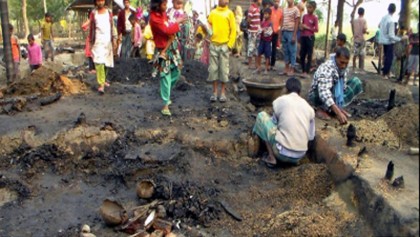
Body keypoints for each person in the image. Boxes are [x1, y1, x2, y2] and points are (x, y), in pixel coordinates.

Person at [252, 77, 315, 168]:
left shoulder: (279, 101)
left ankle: (271, 157)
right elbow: (311, 136)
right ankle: (294, 158)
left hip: (281, 153)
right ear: (300, 92)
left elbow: (274, 123)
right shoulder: (309, 108)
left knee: (262, 116)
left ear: (286, 89)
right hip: (300, 156)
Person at [149, 0, 186, 116]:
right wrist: (178, 22)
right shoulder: (154, 18)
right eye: (164, 4)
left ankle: (166, 92)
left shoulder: (164, 14)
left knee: (177, 71)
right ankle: (165, 104)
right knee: (165, 75)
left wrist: (174, 24)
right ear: (157, 5)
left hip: (172, 48)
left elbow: (169, 27)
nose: (166, 6)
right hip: (163, 49)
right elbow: (167, 30)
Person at [309, 47, 363, 125]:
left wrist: (339, 107)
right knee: (326, 91)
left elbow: (343, 87)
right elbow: (324, 92)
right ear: (336, 58)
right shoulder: (327, 68)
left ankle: (335, 108)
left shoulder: (343, 69)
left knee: (355, 82)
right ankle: (319, 109)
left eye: (346, 63)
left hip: (333, 94)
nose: (344, 66)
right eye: (341, 62)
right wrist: (338, 113)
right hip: (318, 95)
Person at [208, 0, 236, 103]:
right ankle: (214, 92)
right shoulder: (213, 13)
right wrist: (202, 32)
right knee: (213, 69)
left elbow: (233, 30)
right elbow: (208, 25)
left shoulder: (229, 13)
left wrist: (229, 45)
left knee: (224, 70)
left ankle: (223, 93)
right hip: (214, 45)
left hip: (224, 45)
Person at [89, 0, 117, 94]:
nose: (100, 2)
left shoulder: (109, 12)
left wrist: (114, 39)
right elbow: (91, 28)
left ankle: (103, 79)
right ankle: (101, 84)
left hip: (107, 41)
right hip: (98, 41)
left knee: (106, 62)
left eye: (101, 0)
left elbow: (112, 26)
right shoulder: (94, 13)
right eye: (98, 1)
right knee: (98, 62)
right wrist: (90, 42)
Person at [378, 3, 401, 80]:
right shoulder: (391, 21)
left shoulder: (383, 18)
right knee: (389, 58)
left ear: (388, 9)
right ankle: (385, 73)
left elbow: (379, 25)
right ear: (394, 11)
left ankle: (385, 72)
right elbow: (391, 36)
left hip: (383, 40)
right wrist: (400, 39)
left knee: (386, 56)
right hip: (389, 41)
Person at [281, 0, 300, 76]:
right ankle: (286, 68)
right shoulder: (284, 9)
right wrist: (280, 33)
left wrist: (294, 35)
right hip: (284, 31)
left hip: (291, 32)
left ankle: (292, 68)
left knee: (292, 51)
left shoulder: (296, 10)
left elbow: (297, 23)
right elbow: (282, 21)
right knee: (285, 51)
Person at [299, 1, 318, 79]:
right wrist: (302, 27)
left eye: (310, 7)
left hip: (310, 37)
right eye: (307, 7)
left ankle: (307, 71)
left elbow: (316, 29)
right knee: (302, 54)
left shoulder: (315, 17)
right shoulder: (304, 16)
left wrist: (308, 28)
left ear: (313, 8)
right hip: (303, 36)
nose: (308, 9)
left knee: (309, 55)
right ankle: (303, 70)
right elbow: (302, 26)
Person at [255, 8, 273, 75]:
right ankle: (259, 67)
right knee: (259, 53)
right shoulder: (262, 22)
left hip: (267, 41)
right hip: (262, 40)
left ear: (269, 15)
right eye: (264, 14)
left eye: (266, 14)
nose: (265, 15)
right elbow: (259, 30)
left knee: (267, 55)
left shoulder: (270, 23)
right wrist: (263, 30)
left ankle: (266, 68)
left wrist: (263, 30)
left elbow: (269, 32)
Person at [352, 7, 368, 72]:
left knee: (355, 54)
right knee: (362, 54)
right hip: (362, 39)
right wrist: (366, 32)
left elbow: (354, 29)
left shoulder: (354, 20)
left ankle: (354, 67)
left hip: (356, 39)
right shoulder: (364, 20)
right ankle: (361, 69)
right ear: (363, 13)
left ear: (358, 13)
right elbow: (364, 30)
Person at [247, 0, 262, 70]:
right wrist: (251, 28)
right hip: (252, 32)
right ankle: (250, 64)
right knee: (251, 47)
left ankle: (256, 64)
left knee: (257, 48)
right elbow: (249, 20)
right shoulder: (251, 8)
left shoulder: (258, 8)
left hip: (257, 32)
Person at [270, 0, 283, 71]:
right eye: (275, 1)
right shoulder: (270, 10)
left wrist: (279, 31)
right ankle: (267, 64)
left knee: (274, 49)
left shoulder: (281, 12)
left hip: (276, 33)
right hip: (269, 32)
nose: (276, 3)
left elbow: (281, 23)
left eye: (278, 2)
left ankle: (272, 64)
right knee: (268, 48)